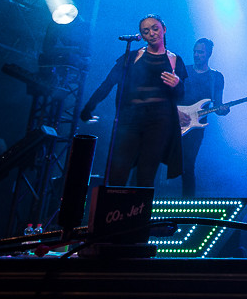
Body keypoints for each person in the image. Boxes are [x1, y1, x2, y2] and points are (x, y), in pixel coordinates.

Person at [79, 14, 187, 188]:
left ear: (164, 29)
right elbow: (109, 83)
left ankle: (138, 213)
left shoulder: (175, 60)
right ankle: (113, 212)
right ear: (141, 36)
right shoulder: (132, 56)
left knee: (146, 173)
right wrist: (89, 107)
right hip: (130, 119)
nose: (151, 33)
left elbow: (181, 95)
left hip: (159, 121)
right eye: (146, 31)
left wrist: (177, 84)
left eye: (155, 28)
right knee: (118, 171)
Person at [179, 38, 226, 197]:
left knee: (188, 165)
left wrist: (224, 110)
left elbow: (218, 105)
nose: (196, 55)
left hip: (196, 127)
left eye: (200, 52)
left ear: (209, 54)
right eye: (195, 51)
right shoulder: (183, 71)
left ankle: (187, 204)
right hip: (174, 121)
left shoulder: (216, 77)